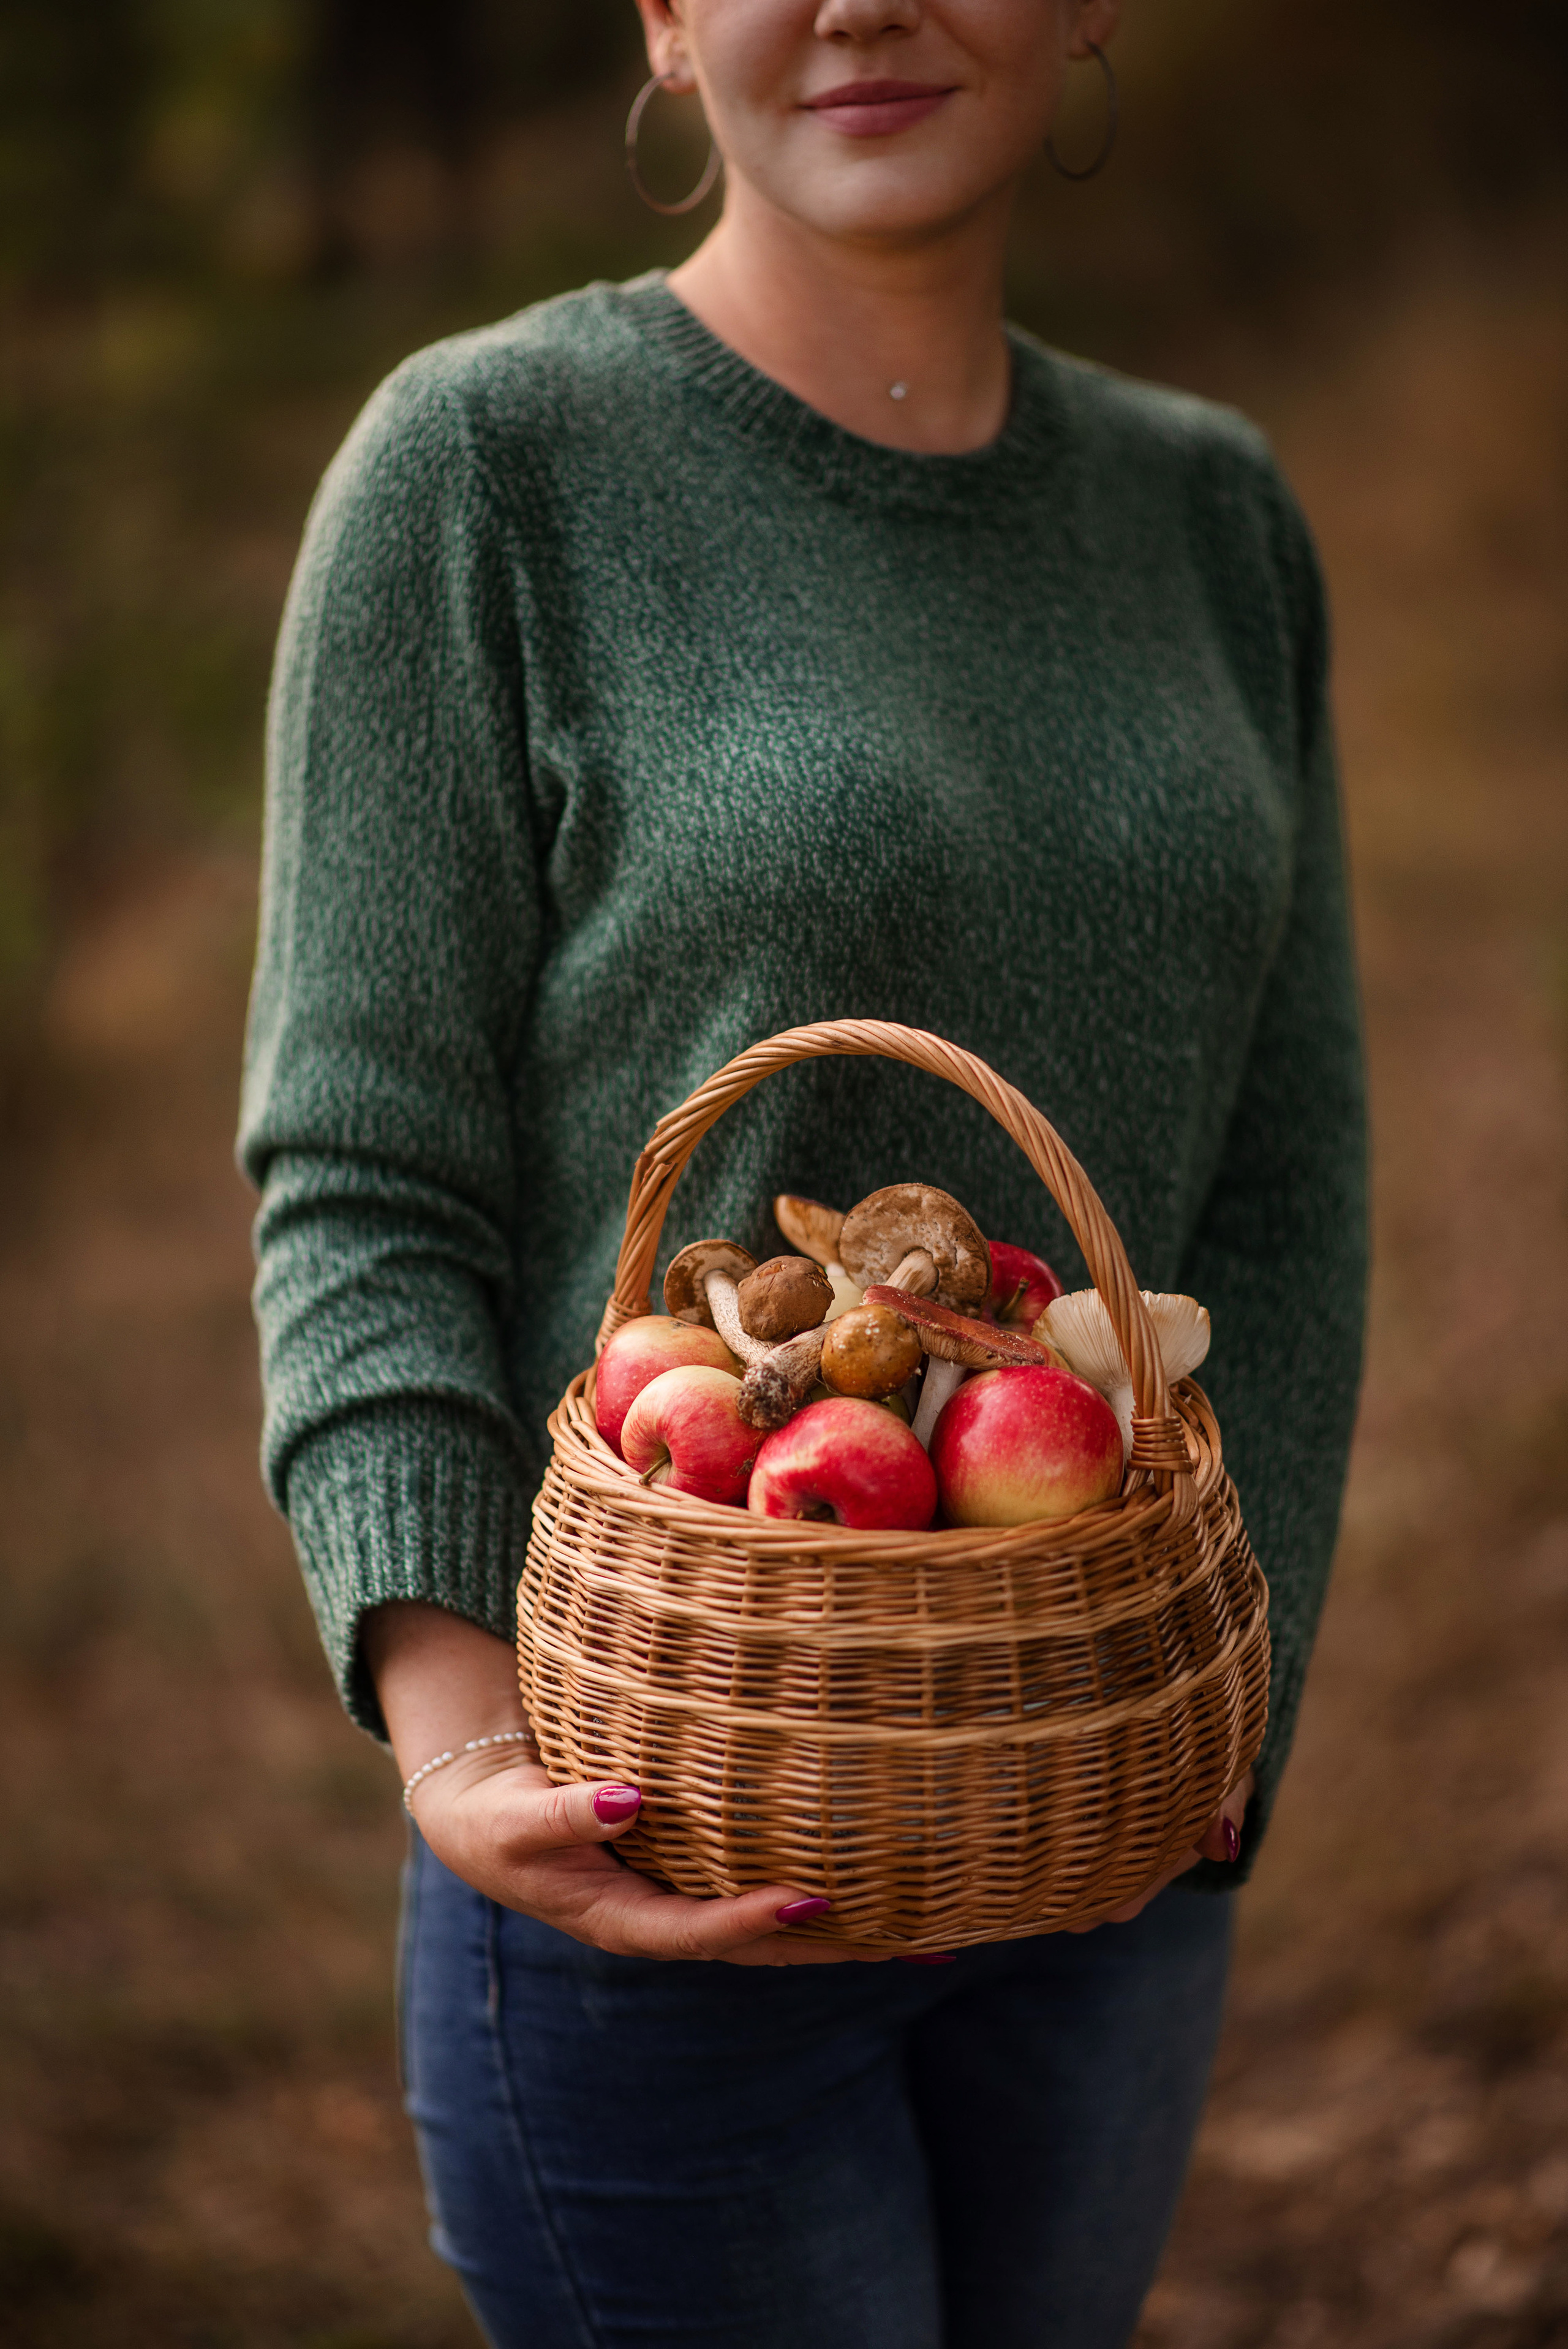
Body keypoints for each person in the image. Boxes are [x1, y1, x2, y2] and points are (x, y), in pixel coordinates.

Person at [239, 1, 1366, 2342]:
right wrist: (457, 1740)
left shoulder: (1216, 510)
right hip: (655, 1845)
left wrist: (1226, 1712)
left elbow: (1289, 1171)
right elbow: (362, 1169)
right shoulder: (484, 468)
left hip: (1106, 1860)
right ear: (664, 16)